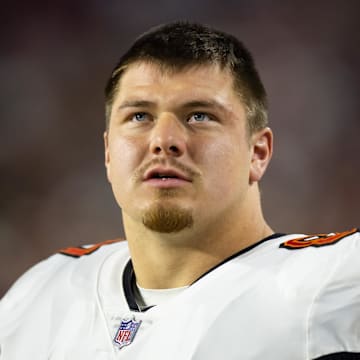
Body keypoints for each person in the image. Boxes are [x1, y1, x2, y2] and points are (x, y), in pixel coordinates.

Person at [0, 21, 359, 360]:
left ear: (258, 152)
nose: (164, 140)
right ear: (109, 153)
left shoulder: (333, 279)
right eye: (139, 116)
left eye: (199, 116)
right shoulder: (45, 293)